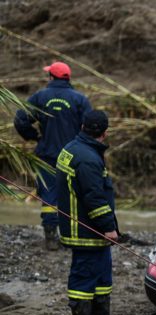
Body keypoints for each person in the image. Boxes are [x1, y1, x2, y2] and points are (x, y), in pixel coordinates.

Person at [55, 110, 125, 315]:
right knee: (84, 275)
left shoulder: (74, 148)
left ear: (83, 126)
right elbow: (94, 197)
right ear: (105, 133)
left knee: (103, 275)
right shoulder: (87, 158)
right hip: (85, 229)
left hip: (86, 226)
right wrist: (108, 227)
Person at [14, 61, 93, 250]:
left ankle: (50, 236)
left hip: (46, 155)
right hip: (73, 157)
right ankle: (73, 235)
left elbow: (20, 119)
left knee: (49, 194)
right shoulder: (80, 99)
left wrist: (33, 136)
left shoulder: (40, 97)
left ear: (51, 77)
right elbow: (90, 128)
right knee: (73, 194)